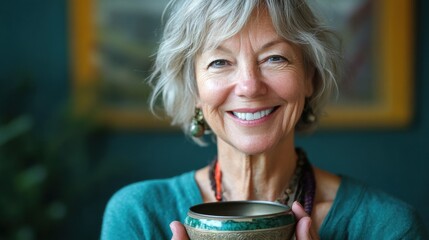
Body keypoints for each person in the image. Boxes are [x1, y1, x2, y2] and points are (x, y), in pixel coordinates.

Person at [101, 0, 428, 239]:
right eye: (220, 62)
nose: (249, 86)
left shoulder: (386, 227)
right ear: (195, 89)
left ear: (309, 77)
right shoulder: (139, 216)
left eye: (275, 58)